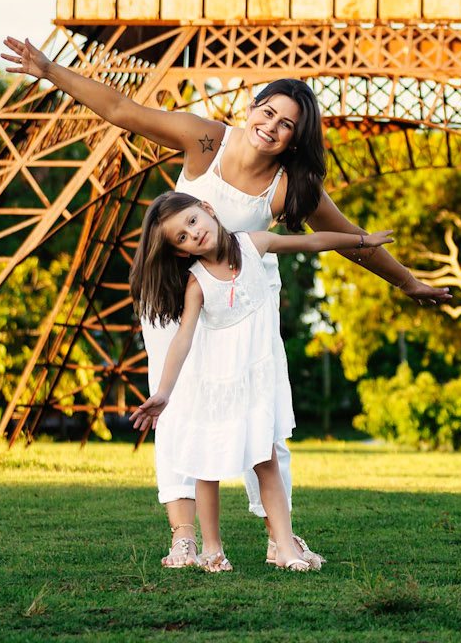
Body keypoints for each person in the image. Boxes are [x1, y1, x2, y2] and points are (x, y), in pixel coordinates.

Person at [1, 36, 451, 568]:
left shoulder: (288, 186)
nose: (272, 127)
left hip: (246, 308)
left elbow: (350, 239)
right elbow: (122, 110)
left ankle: (280, 537)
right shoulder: (205, 141)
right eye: (268, 112)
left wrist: (407, 283)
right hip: (179, 298)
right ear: (252, 106)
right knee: (178, 410)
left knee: (264, 420)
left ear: (296, 139)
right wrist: (50, 70)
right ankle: (185, 537)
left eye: (287, 125)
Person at [128, 191, 393, 571]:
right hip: (215, 385)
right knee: (208, 468)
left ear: (207, 209)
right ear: (180, 252)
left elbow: (313, 241)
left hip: (254, 382)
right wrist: (164, 393)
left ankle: (284, 548)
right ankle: (212, 549)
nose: (194, 234)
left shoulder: (254, 244)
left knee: (266, 461)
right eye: (181, 238)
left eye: (192, 221)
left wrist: (362, 240)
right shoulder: (197, 283)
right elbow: (182, 339)